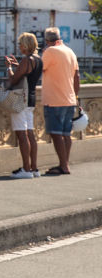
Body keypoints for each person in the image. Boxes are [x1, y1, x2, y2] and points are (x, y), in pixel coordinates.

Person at [40, 27, 80, 175]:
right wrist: (75, 97)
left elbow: (39, 69)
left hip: (54, 99)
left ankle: (64, 166)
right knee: (66, 134)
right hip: (69, 99)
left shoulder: (50, 51)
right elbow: (77, 77)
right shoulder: (70, 51)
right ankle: (64, 164)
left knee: (56, 134)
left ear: (46, 40)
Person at [4, 32, 42, 178]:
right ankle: (34, 168)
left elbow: (14, 80)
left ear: (26, 45)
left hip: (21, 100)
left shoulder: (27, 60)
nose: (19, 46)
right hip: (31, 99)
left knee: (22, 134)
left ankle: (26, 169)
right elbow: (28, 75)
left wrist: (9, 68)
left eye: (20, 44)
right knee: (30, 133)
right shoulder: (38, 59)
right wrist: (18, 65)